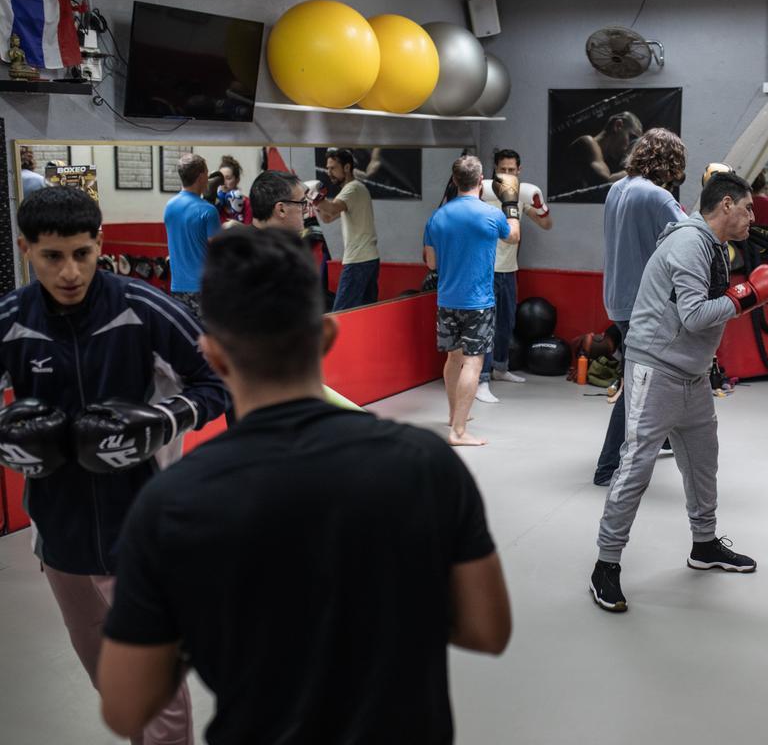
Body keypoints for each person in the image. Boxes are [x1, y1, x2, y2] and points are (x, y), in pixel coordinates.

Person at [96, 227, 511, 743]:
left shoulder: (170, 501)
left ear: (213, 356)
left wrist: (196, 620)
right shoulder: (424, 463)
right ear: (327, 337)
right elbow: (487, 629)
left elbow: (125, 705)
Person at [0, 186, 229, 744]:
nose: (71, 271)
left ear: (100, 243)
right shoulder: (9, 319)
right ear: (26, 248)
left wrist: (164, 419)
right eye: (52, 256)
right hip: (59, 535)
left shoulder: (143, 308)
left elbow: (220, 382)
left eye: (82, 252)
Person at [589, 173, 768, 612]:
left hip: (692, 374)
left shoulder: (713, 246)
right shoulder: (689, 243)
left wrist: (748, 298)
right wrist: (752, 295)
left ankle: (704, 545)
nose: (751, 217)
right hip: (656, 370)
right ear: (725, 205)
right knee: (635, 468)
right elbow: (693, 316)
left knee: (703, 462)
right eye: (746, 208)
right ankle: (605, 566)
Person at [591, 128, 688, 487]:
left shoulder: (617, 188)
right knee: (637, 386)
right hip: (644, 304)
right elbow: (690, 243)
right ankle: (607, 467)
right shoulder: (658, 197)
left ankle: (661, 437)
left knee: (658, 374)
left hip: (617, 296)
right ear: (669, 163)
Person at [423, 155, 520, 446]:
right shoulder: (491, 215)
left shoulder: (437, 217)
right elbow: (513, 236)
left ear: (454, 181)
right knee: (473, 364)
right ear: (481, 182)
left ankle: (455, 416)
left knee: (454, 359)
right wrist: (511, 204)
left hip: (446, 300)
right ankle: (459, 432)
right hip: (478, 302)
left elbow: (430, 263)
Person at [474, 148, 553, 404]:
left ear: (519, 171)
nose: (507, 175)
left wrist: (541, 208)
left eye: (511, 170)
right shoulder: (482, 195)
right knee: (486, 325)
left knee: (506, 322)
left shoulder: (519, 196)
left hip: (509, 269)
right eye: (502, 170)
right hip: (485, 268)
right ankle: (482, 378)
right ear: (494, 171)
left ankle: (499, 367)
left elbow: (546, 225)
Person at [313, 148, 380, 311]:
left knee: (341, 314)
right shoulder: (354, 190)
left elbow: (330, 208)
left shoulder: (352, 189)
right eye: (328, 168)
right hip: (369, 259)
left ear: (347, 167)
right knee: (365, 313)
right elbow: (327, 218)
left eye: (333, 168)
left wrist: (312, 196)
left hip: (358, 261)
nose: (329, 173)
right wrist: (315, 202)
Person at [164, 153, 220, 319]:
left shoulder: (169, 206)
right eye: (207, 173)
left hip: (177, 287)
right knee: (205, 338)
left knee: (185, 336)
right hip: (203, 287)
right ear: (201, 176)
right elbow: (218, 249)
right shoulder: (208, 211)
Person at [561, 111, 644, 197]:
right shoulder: (587, 142)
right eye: (631, 137)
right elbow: (606, 184)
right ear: (618, 125)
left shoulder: (602, 162)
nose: (630, 146)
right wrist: (638, 169)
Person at [215, 154, 252, 226]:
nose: (223, 182)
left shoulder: (247, 203)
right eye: (221, 178)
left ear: (237, 180)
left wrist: (239, 226)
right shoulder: (215, 203)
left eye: (228, 178)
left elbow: (252, 234)